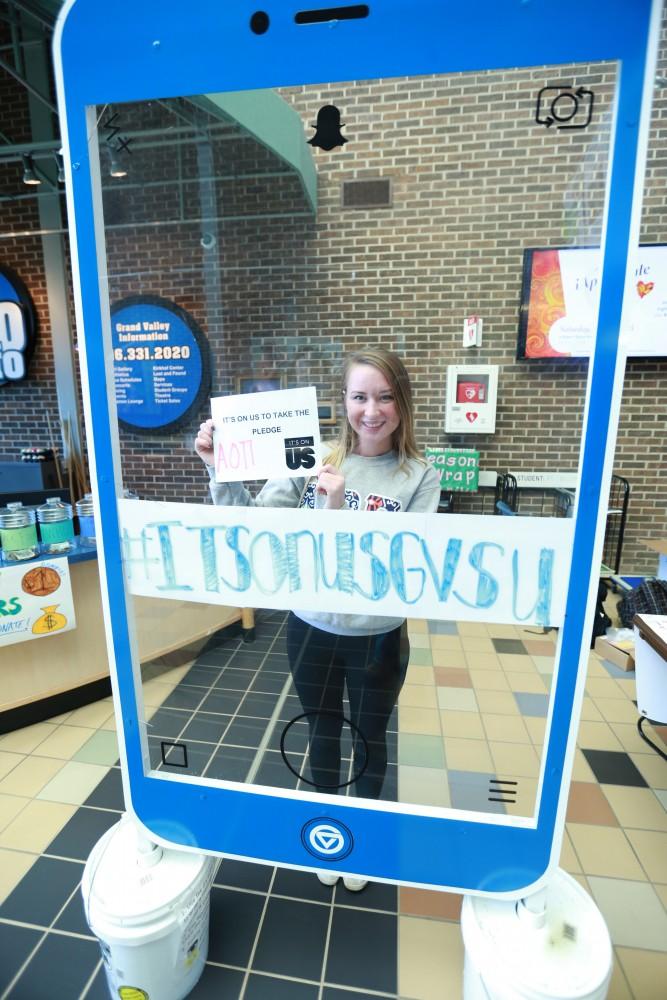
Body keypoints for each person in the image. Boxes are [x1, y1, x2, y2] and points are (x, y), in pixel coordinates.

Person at [195, 348, 441, 890]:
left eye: (384, 396)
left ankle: (362, 839)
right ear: (345, 402)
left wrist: (338, 513)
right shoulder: (313, 458)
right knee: (323, 732)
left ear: (402, 403)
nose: (371, 410)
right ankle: (333, 831)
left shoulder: (420, 476)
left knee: (370, 736)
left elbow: (406, 567)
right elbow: (254, 527)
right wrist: (218, 467)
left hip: (378, 636)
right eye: (359, 397)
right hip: (310, 629)